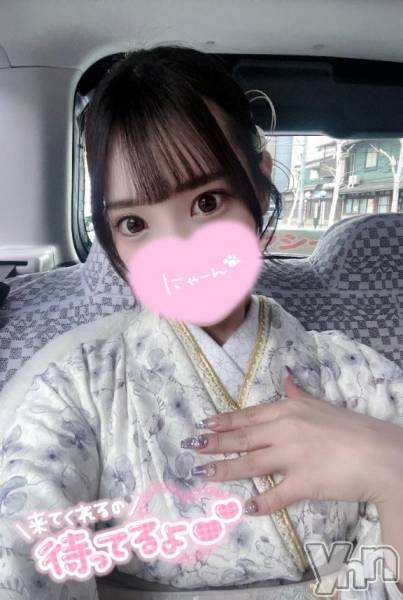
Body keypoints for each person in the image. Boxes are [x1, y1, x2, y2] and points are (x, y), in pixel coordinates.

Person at [0, 45, 403, 600]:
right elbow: (20, 554)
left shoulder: (357, 376)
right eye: (135, 223)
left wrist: (393, 466)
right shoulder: (76, 390)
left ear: (258, 183)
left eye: (208, 202)